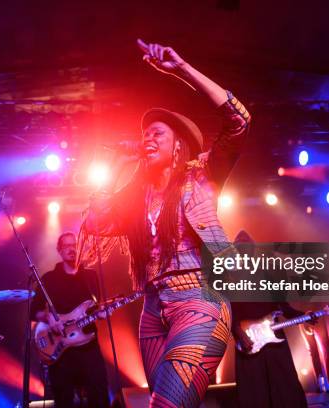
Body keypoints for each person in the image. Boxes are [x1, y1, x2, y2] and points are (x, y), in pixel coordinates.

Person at [78, 39, 250, 407]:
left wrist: (183, 68)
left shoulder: (201, 177)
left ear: (178, 146)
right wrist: (109, 178)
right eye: (145, 133)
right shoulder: (134, 197)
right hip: (153, 311)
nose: (148, 138)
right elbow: (93, 227)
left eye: (158, 133)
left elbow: (239, 121)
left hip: (199, 299)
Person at [30, 232, 109, 408]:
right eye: (67, 246)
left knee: (100, 393)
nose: (72, 249)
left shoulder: (90, 276)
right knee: (64, 398)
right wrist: (48, 318)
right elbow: (33, 311)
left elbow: (96, 306)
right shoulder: (49, 279)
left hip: (88, 345)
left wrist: (101, 314)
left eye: (74, 245)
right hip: (60, 349)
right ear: (59, 250)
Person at [231, 230, 309, 408]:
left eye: (247, 246)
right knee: (255, 393)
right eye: (240, 246)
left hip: (274, 340)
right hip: (248, 341)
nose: (244, 249)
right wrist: (238, 332)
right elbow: (227, 313)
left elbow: (284, 307)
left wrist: (305, 316)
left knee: (285, 387)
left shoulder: (267, 274)